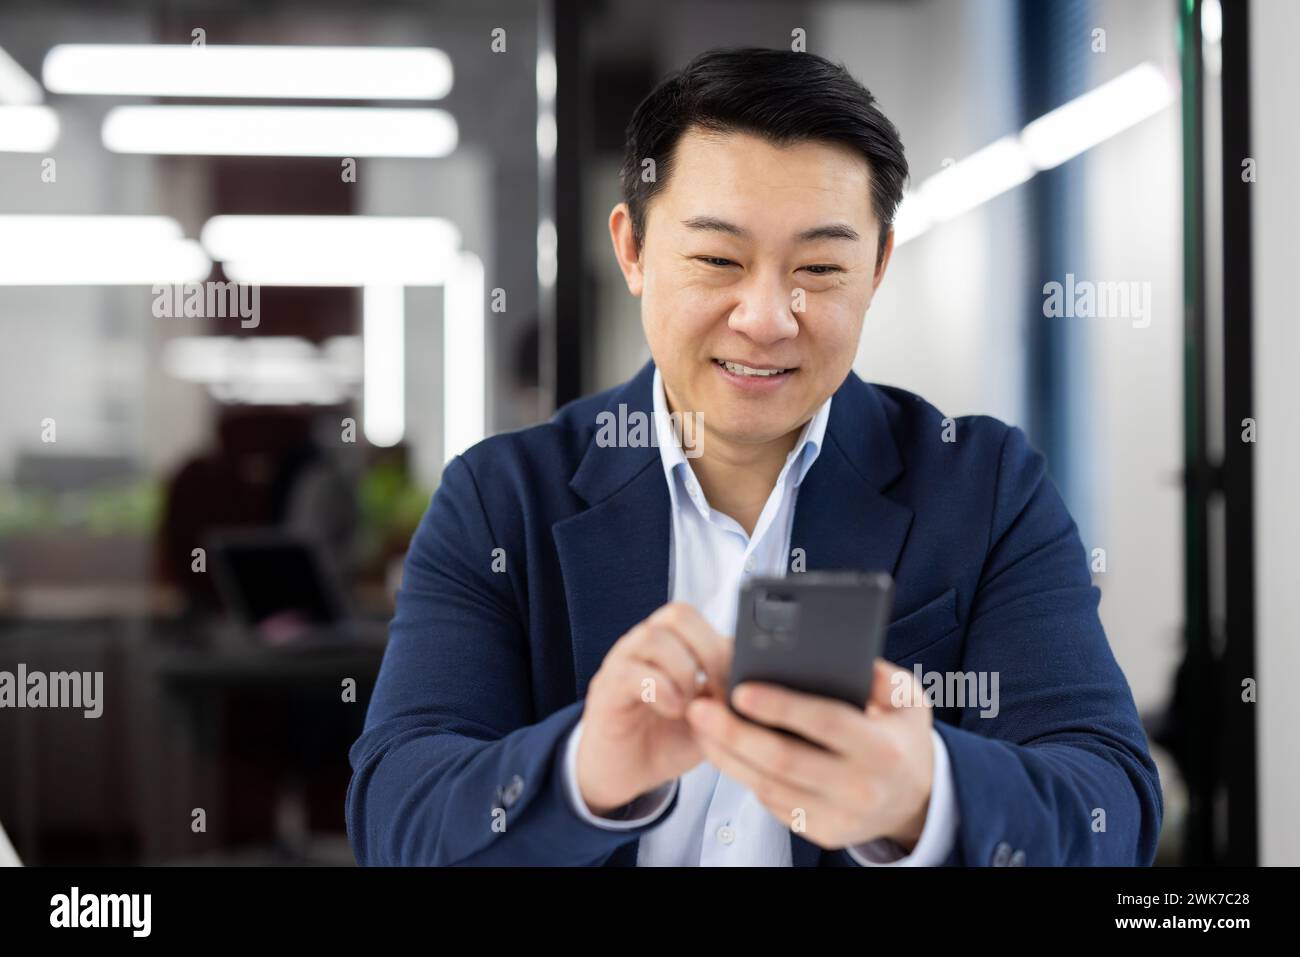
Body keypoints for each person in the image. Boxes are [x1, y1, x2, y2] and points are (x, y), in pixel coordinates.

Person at [346, 47, 1162, 867]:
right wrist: (582, 772)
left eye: (819, 268)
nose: (769, 316)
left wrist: (927, 797)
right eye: (717, 260)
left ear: (876, 267)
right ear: (632, 250)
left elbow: (1110, 802)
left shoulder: (984, 488)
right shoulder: (501, 499)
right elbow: (397, 814)